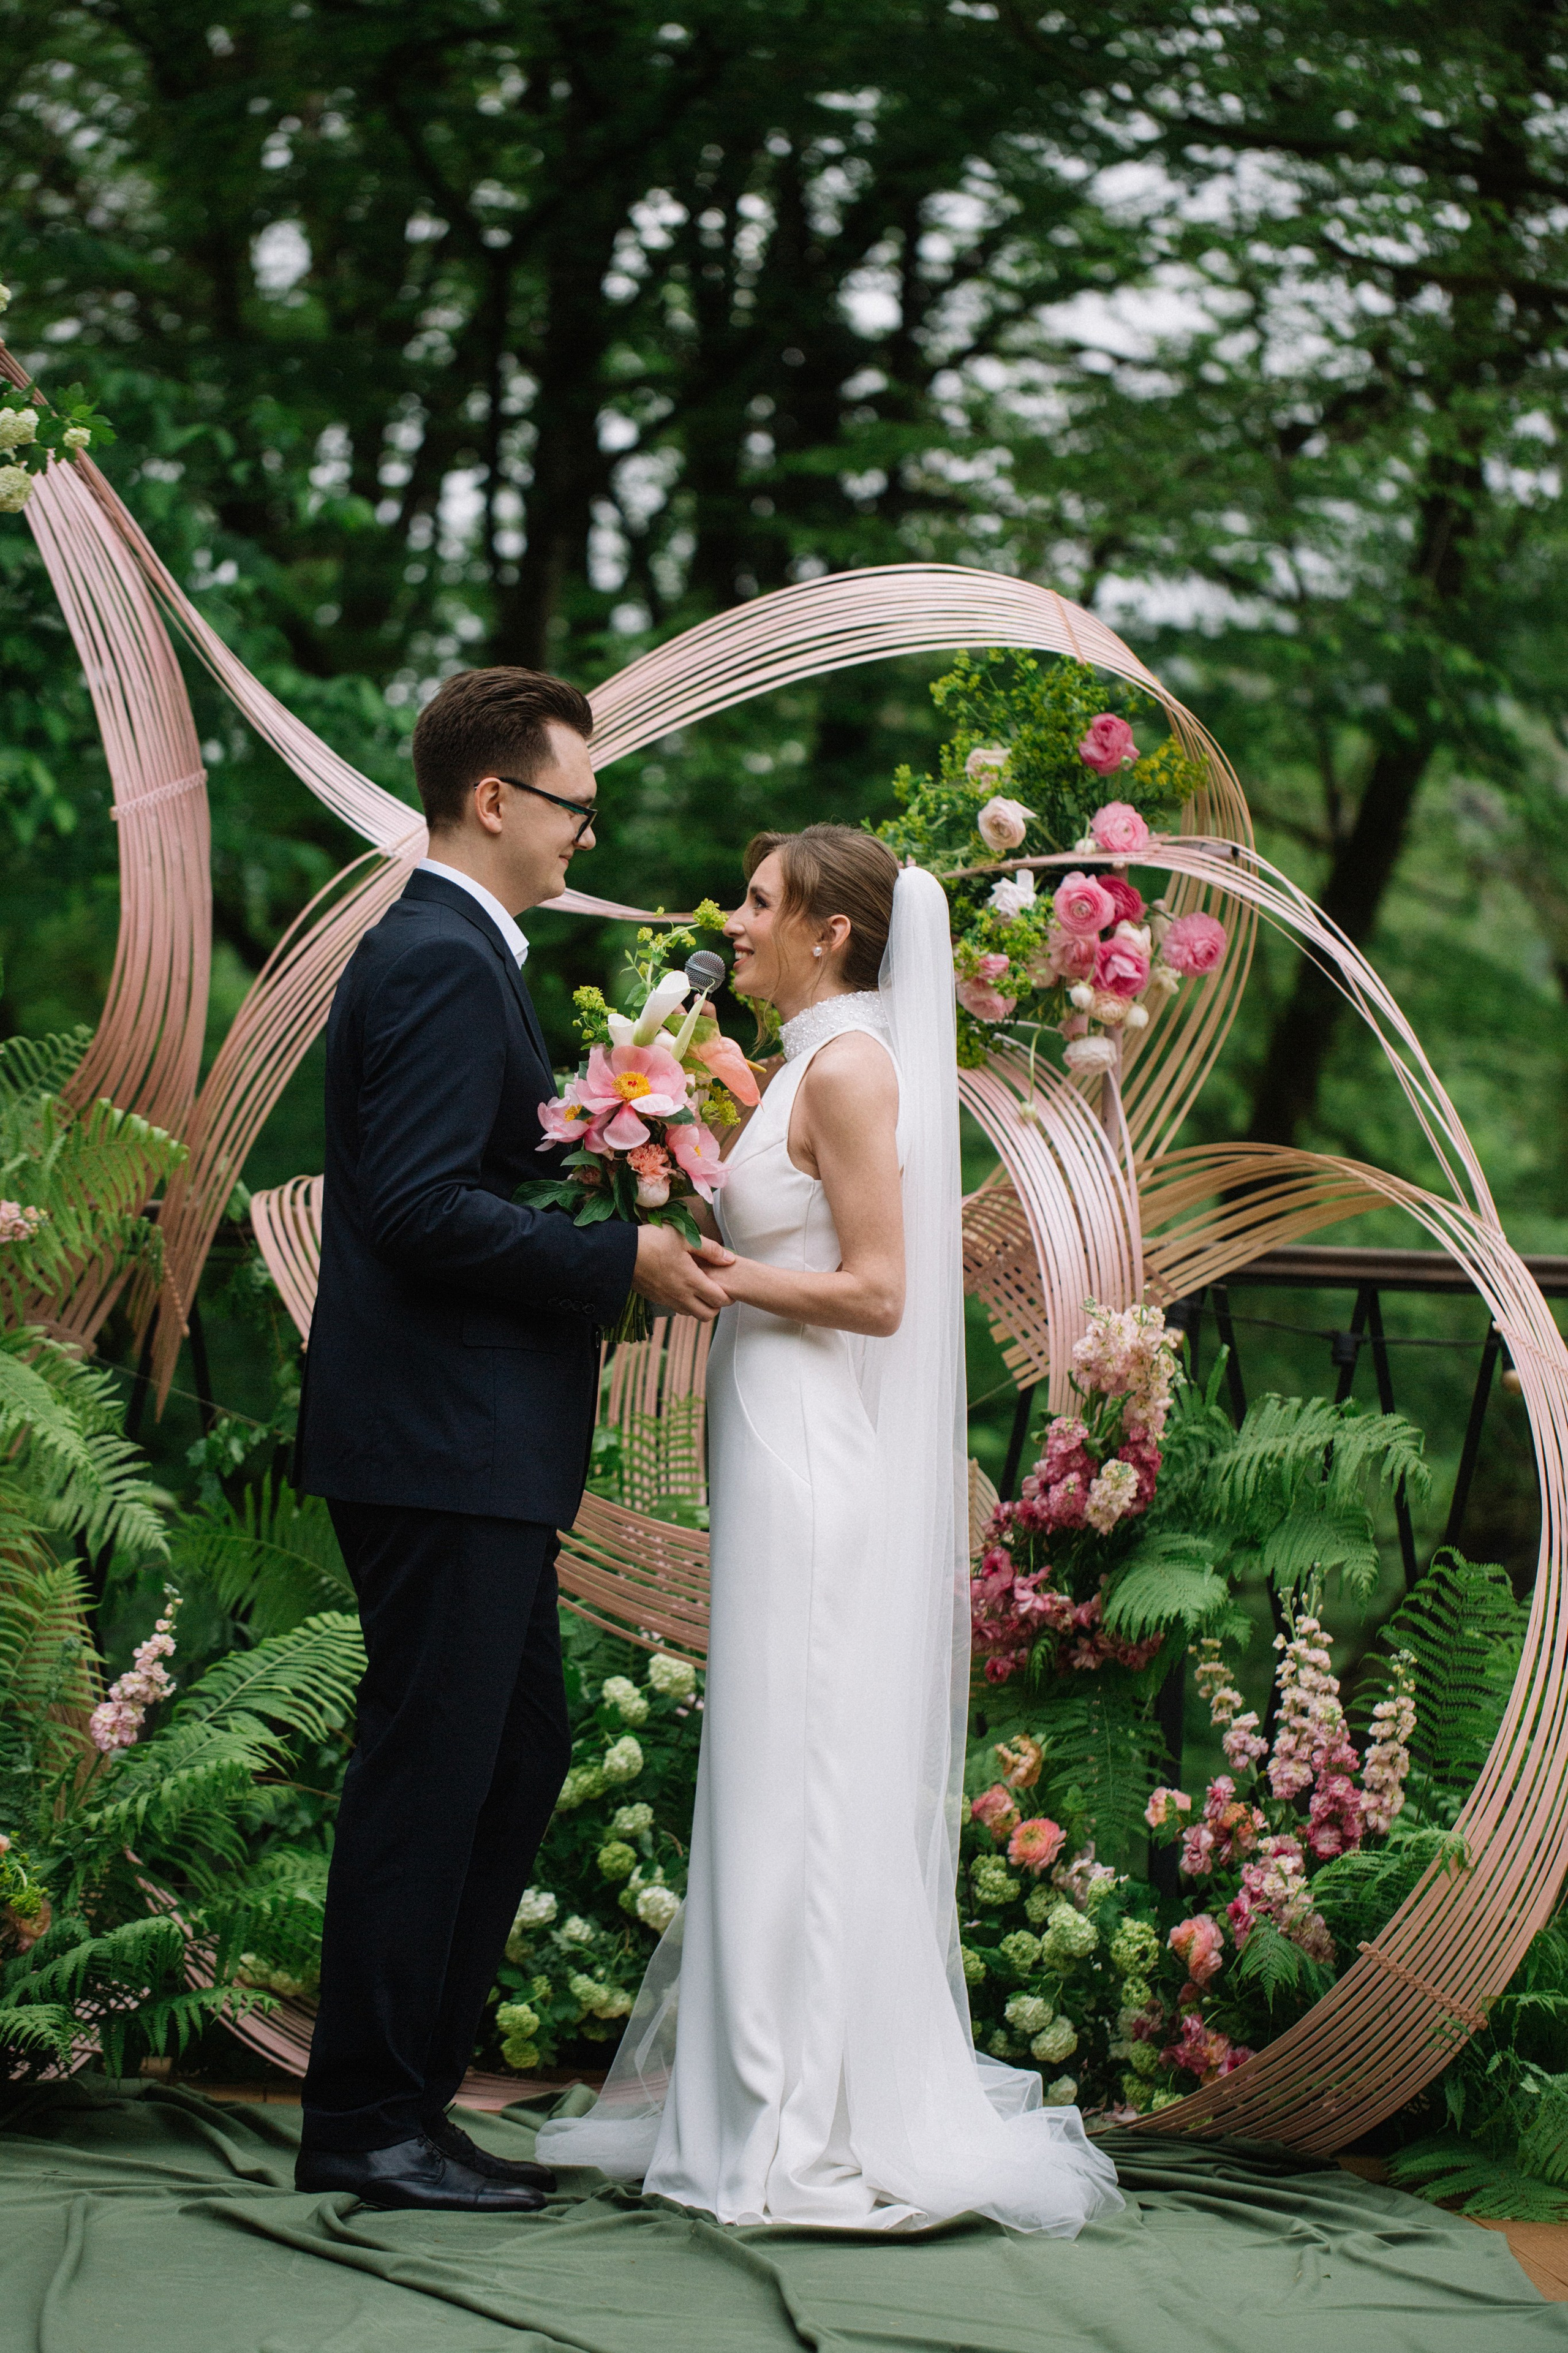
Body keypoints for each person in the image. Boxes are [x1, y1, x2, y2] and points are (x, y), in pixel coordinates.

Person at [537, 825, 1123, 2233]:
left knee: (792, 1773)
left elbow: (877, 1291)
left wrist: (726, 1277)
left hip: (809, 1456)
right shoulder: (796, 1063)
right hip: (767, 1444)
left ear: (834, 932)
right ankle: (742, 2106)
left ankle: (790, 2131)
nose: (730, 923)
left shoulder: (854, 1069)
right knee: (761, 1768)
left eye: (757, 903)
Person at [292, 667, 733, 2213]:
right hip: (437, 1438)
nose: (583, 834)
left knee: (507, 1756)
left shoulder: (464, 956)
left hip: (464, 1441)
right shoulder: (432, 957)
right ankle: (363, 2120)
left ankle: (404, 2095)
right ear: (496, 801)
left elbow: (470, 1183)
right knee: (435, 1773)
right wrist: (623, 1263)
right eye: (573, 806)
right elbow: (412, 1209)